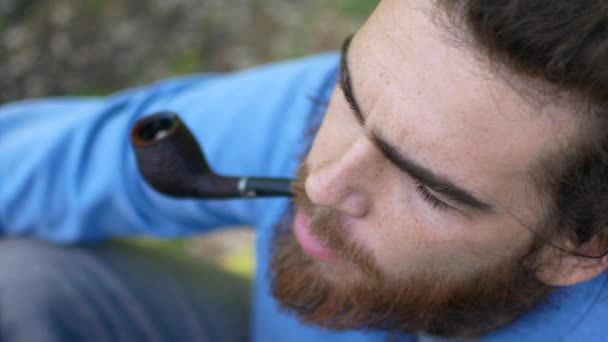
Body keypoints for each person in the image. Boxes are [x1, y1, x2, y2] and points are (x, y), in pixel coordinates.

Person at [1, 0, 608, 341]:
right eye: (349, 93)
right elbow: (64, 161)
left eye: (428, 189)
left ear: (578, 248)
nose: (322, 185)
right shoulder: (382, 106)